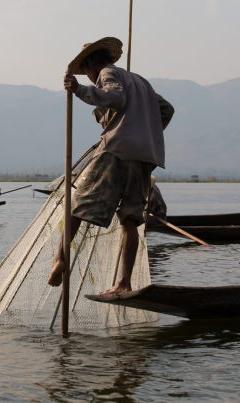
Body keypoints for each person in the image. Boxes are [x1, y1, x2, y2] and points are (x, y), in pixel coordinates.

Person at [47, 37, 174, 294]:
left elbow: (113, 97)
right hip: (145, 157)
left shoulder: (108, 72)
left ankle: (61, 258)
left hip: (116, 151)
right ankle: (124, 283)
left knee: (77, 204)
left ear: (94, 63)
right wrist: (145, 131)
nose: (92, 77)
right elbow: (167, 110)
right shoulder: (141, 83)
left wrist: (79, 90)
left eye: (88, 72)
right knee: (130, 220)